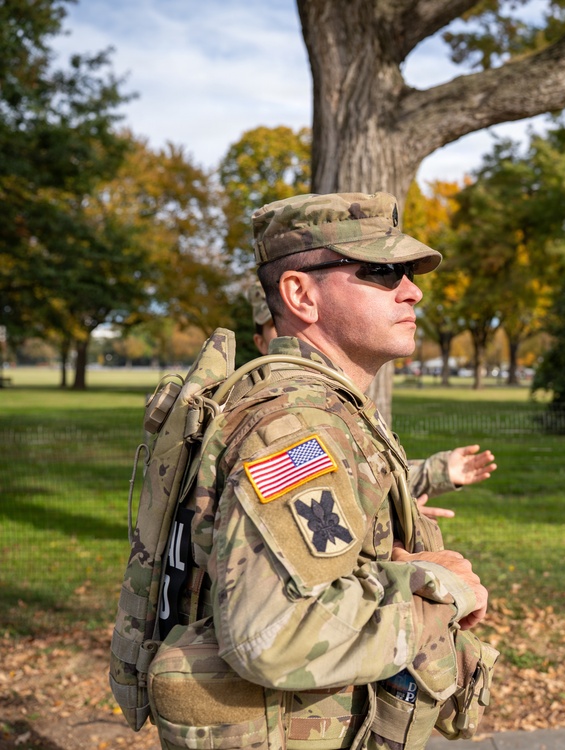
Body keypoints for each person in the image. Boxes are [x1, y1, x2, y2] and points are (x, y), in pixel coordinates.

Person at [149, 192, 497, 750]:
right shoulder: (296, 427)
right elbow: (274, 633)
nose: (413, 290)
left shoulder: (327, 410)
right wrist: (440, 586)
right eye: (382, 272)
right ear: (300, 293)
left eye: (406, 272)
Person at [248, 278, 496, 518]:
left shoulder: (331, 400)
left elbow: (359, 483)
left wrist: (434, 473)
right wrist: (411, 559)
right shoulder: (291, 417)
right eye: (276, 324)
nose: (413, 292)